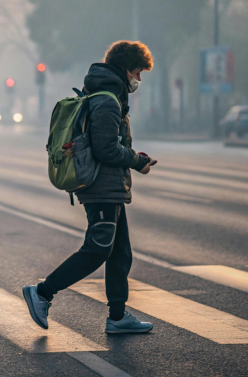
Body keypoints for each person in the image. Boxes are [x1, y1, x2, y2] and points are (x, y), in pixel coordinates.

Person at [24, 40, 157, 334]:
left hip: (109, 187)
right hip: (102, 187)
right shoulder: (108, 101)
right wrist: (138, 161)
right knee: (97, 249)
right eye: (137, 72)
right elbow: (107, 149)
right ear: (125, 69)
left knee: (120, 252)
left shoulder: (102, 95)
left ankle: (118, 317)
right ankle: (43, 292)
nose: (138, 80)